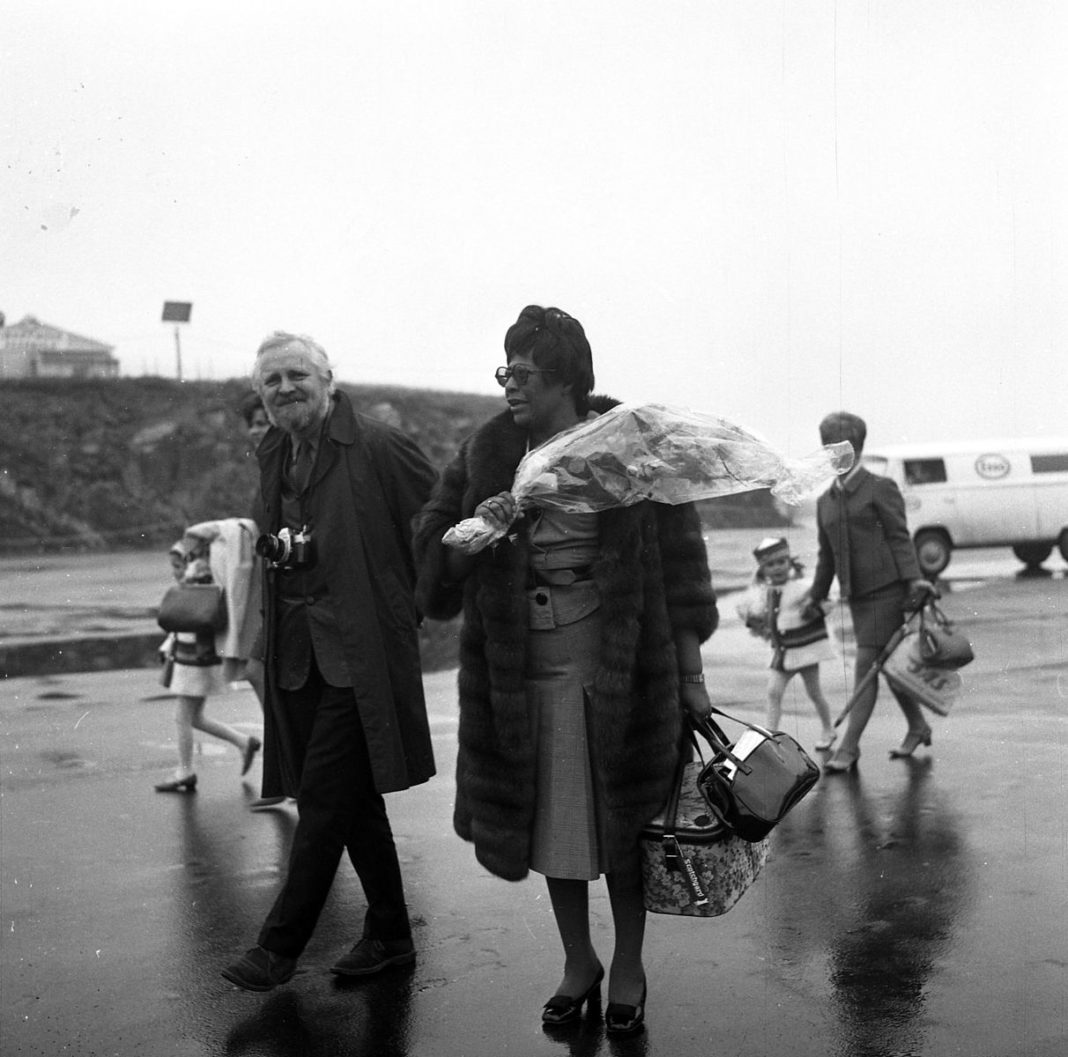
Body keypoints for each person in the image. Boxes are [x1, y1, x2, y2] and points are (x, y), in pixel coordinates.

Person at [413, 305, 718, 1036]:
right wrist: (472, 534)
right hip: (523, 675)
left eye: (521, 373)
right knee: (554, 823)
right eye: (504, 371)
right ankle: (579, 960)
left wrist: (690, 675)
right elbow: (434, 564)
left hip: (618, 667)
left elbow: (681, 576)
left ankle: (632, 963)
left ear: (566, 379)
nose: (508, 386)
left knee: (623, 826)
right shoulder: (485, 453)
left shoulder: (632, 449)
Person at [221, 331, 437, 992]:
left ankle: (279, 946)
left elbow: (437, 521)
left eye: (296, 375)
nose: (284, 389)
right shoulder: (275, 450)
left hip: (360, 651)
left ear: (328, 379)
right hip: (298, 653)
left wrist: (409, 607)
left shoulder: (376, 443)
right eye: (271, 381)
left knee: (321, 796)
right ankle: (392, 934)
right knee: (352, 798)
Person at [805, 412, 934, 773]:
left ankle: (849, 747)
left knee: (866, 667)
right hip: (858, 597)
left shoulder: (880, 488)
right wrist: (815, 595)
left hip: (888, 592)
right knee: (889, 668)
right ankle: (918, 725)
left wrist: (914, 581)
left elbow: (898, 536)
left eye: (844, 447)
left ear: (858, 448)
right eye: (829, 448)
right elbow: (826, 555)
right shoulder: (825, 501)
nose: (836, 454)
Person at [155, 531, 262, 793]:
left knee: (182, 717)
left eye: (178, 565)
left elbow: (189, 618)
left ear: (190, 559)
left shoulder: (198, 577)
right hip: (194, 656)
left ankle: (185, 770)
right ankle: (243, 742)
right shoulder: (202, 577)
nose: (175, 572)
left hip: (195, 659)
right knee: (194, 717)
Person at [735, 536, 837, 749]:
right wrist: (756, 623)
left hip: (805, 651)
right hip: (783, 653)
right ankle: (770, 736)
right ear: (763, 569)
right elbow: (754, 614)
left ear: (789, 562)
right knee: (773, 692)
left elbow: (828, 600)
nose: (777, 568)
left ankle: (829, 729)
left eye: (781, 562)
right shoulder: (763, 593)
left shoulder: (802, 587)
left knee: (814, 692)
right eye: (770, 564)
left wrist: (813, 610)